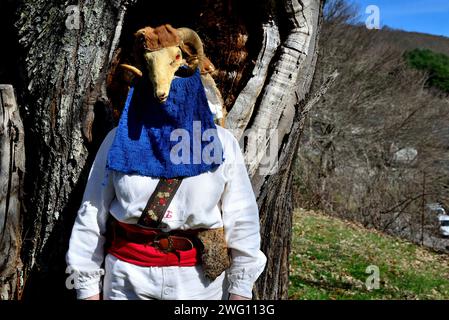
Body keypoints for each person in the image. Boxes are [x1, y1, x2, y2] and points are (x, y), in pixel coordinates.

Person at [66, 52, 266, 300]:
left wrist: (241, 289)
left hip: (199, 286)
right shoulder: (119, 141)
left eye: (177, 78)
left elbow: (242, 219)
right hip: (127, 281)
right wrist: (86, 289)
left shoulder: (221, 144)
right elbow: (91, 216)